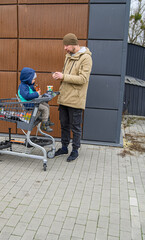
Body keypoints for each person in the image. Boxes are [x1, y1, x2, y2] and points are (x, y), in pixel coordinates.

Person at [52, 33, 93, 162]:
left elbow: (83, 79)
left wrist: (63, 76)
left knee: (75, 127)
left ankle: (75, 150)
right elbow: (67, 75)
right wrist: (59, 75)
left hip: (75, 99)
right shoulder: (68, 57)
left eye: (67, 45)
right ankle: (64, 147)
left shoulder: (86, 58)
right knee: (64, 125)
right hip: (64, 97)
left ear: (74, 44)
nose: (65, 48)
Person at [18, 67, 54, 132]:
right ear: (27, 79)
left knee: (46, 105)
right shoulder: (22, 87)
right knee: (44, 108)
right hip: (28, 104)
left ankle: (46, 120)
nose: (34, 80)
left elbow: (31, 91)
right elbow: (27, 96)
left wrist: (36, 90)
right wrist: (37, 94)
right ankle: (44, 125)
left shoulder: (28, 85)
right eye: (33, 79)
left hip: (33, 102)